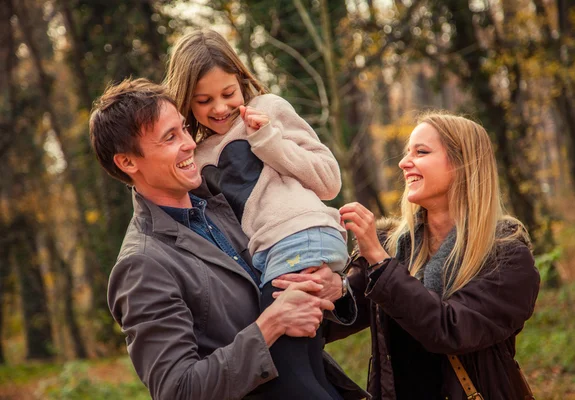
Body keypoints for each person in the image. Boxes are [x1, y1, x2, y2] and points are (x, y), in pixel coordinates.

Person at [88, 78, 367, 400]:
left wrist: (335, 288)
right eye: (169, 138)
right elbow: (179, 390)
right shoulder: (143, 265)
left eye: (182, 129)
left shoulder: (227, 209)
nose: (190, 143)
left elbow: (301, 325)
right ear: (127, 162)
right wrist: (271, 324)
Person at [164, 29, 351, 399]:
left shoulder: (270, 109)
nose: (219, 108)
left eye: (228, 93)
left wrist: (267, 142)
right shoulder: (197, 156)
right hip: (272, 254)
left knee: (285, 372)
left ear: (242, 79)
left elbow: (329, 182)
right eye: (204, 100)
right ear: (186, 100)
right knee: (310, 370)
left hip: (300, 237)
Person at [331, 111, 540, 399]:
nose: (404, 163)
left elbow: (451, 330)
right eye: (407, 153)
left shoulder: (507, 257)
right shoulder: (393, 247)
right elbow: (334, 320)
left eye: (421, 152)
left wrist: (379, 262)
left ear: (463, 164)